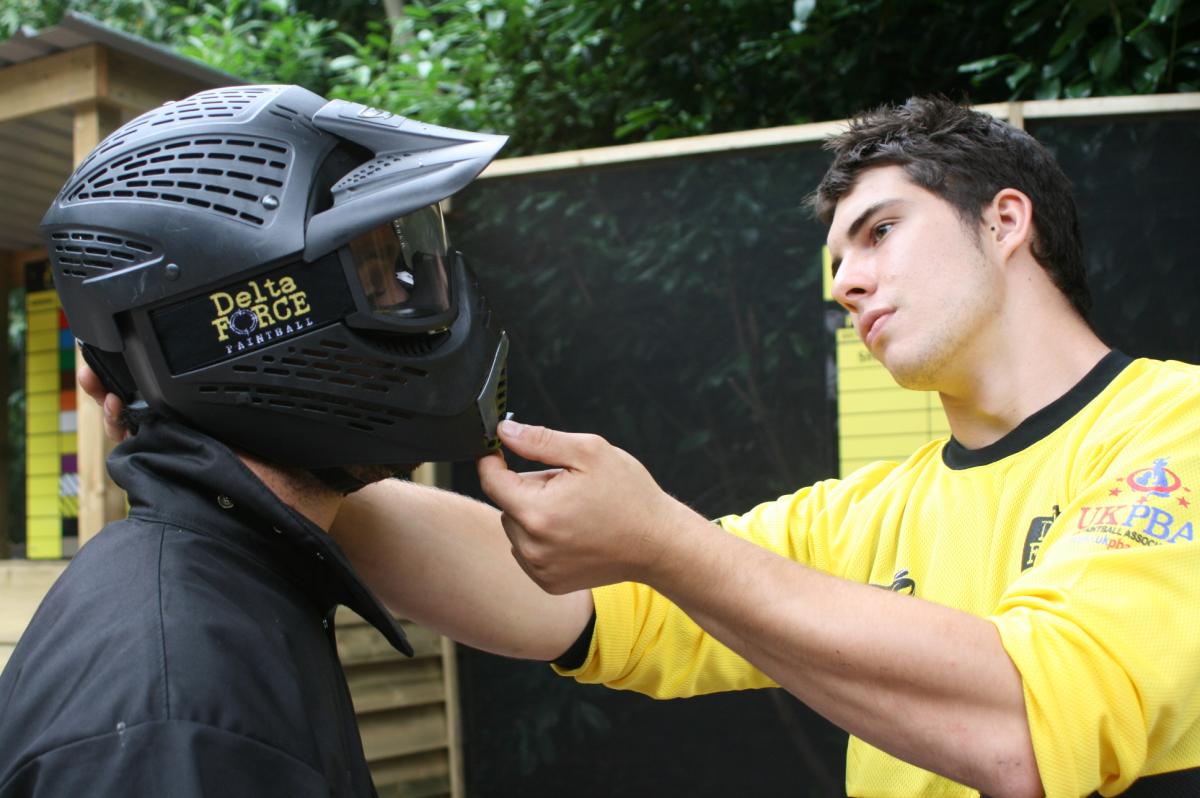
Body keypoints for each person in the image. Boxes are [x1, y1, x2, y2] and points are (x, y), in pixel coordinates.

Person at [81, 97, 1200, 797]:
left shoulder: (1172, 429)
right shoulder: (870, 514)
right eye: (837, 256)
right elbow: (573, 603)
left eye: (879, 230)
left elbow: (1029, 731)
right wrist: (259, 449)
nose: (845, 279)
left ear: (1006, 221)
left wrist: (670, 542)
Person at [0, 84, 509, 797]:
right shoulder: (180, 711)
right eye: (378, 278)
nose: (421, 298)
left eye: (409, 264)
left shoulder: (235, 589)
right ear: (234, 329)